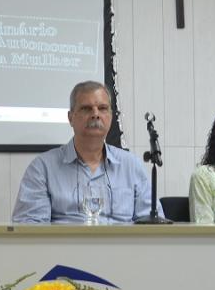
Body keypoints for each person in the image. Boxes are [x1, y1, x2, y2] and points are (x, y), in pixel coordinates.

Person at [12, 81, 158, 224]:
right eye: (86, 109)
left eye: (102, 108)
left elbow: (151, 225)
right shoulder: (42, 168)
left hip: (121, 241)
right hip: (67, 241)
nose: (95, 114)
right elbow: (29, 228)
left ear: (111, 116)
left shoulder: (131, 166)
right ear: (70, 118)